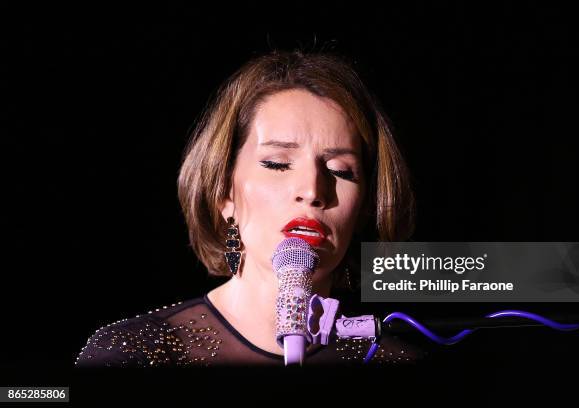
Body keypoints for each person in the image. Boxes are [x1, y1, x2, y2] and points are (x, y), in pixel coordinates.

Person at [75, 50, 423, 367]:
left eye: (340, 171)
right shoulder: (133, 354)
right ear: (224, 191)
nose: (313, 190)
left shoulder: (395, 360)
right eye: (276, 163)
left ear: (364, 206)